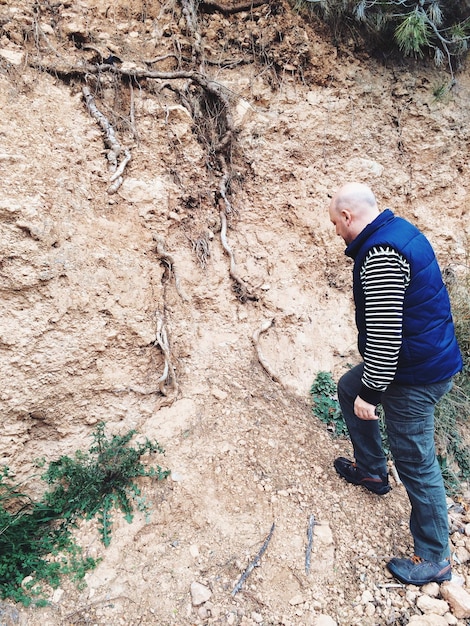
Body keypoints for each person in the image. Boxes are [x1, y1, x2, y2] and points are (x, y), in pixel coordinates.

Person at [328, 182, 463, 586]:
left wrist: (373, 393)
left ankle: (435, 556)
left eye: (336, 223)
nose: (336, 232)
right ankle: (371, 472)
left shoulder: (381, 253)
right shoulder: (399, 230)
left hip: (415, 375)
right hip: (426, 358)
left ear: (349, 217)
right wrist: (363, 388)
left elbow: (386, 334)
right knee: (349, 387)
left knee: (415, 461)